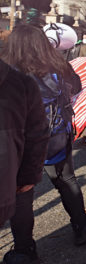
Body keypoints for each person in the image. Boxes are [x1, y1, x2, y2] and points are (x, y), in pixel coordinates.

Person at [1, 25, 86, 264]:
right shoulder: (59, 65)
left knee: (22, 194)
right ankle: (82, 226)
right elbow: (77, 88)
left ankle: (25, 251)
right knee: (66, 180)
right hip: (56, 134)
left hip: (22, 141)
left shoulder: (9, 72)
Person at [0, 58, 48, 233]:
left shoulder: (21, 81)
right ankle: (25, 246)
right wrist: (28, 177)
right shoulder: (21, 82)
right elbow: (37, 134)